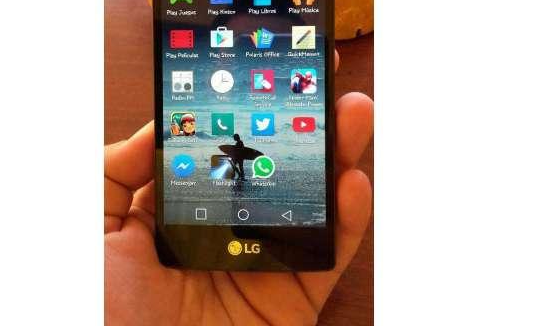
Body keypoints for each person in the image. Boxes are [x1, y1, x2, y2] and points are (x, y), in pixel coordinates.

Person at [105, 90, 373, 325]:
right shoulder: (240, 146)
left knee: (237, 172)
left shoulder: (237, 146)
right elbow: (241, 151)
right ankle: (240, 183)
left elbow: (238, 150)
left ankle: (239, 182)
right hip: (221, 292)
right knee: (237, 172)